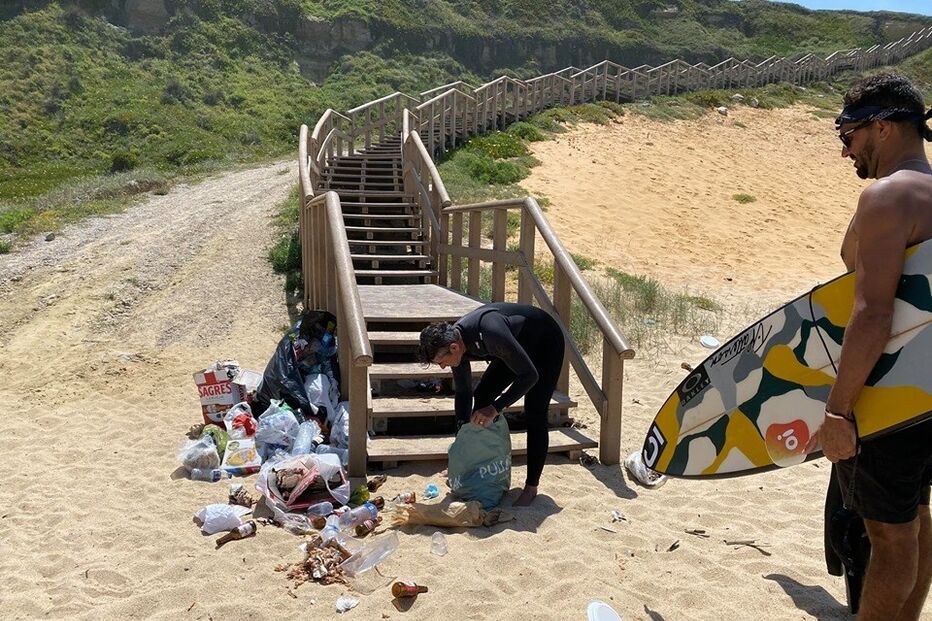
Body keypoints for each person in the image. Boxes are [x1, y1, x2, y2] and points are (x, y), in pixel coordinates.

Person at [815, 72, 932, 620]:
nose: (845, 151)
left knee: (890, 540)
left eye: (850, 134)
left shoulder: (887, 196)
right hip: (929, 392)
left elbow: (872, 312)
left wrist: (838, 410)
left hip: (890, 397)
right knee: (919, 519)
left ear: (882, 127)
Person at [418, 302, 565, 507]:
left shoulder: (490, 332)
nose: (442, 366)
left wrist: (496, 407)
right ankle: (480, 461)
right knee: (483, 396)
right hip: (514, 345)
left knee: (535, 412)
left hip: (544, 342)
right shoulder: (457, 341)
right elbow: (463, 392)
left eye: (441, 361)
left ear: (454, 348)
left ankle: (531, 487)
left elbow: (530, 375)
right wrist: (462, 439)